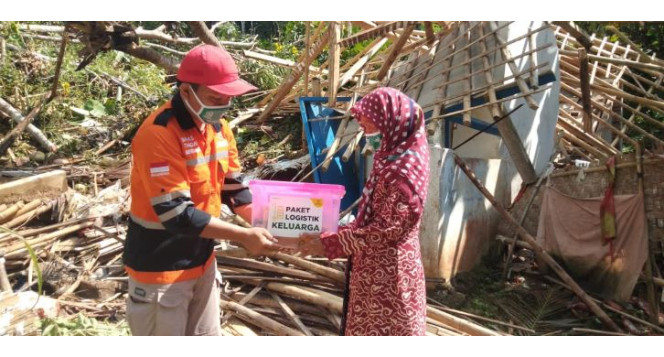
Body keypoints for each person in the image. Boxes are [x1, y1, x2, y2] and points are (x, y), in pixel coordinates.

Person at [123, 44, 279, 336]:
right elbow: (177, 214)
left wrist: (275, 224)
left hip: (202, 260)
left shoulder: (219, 129)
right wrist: (245, 236)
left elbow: (235, 191)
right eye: (213, 98)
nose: (221, 106)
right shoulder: (159, 134)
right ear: (185, 92)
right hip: (160, 268)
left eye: (226, 99)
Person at [298, 87, 430, 336]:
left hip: (391, 275)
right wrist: (330, 232)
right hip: (374, 267)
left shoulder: (404, 171)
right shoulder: (391, 157)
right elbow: (372, 218)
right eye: (364, 126)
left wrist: (330, 243)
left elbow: (388, 228)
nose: (366, 133)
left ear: (393, 123)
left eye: (370, 126)